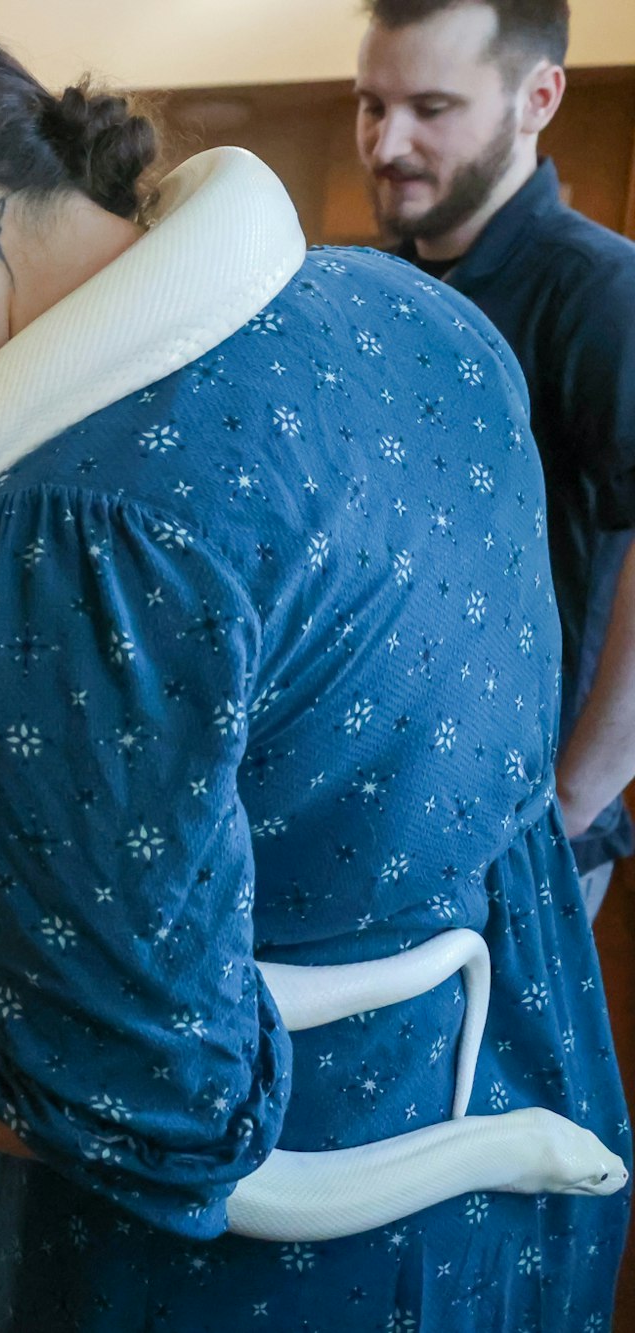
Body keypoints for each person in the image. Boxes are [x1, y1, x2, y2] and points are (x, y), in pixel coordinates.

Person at [0, 12, 629, 1331]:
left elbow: (139, 1108)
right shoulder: (417, 312)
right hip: (518, 1095)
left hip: (258, 1277)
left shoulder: (59, 523)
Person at [356, 0, 635, 920]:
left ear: (539, 97)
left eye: (432, 109)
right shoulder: (372, 290)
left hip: (526, 840)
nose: (387, 142)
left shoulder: (604, 292)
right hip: (387, 820)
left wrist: (570, 805)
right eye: (371, 104)